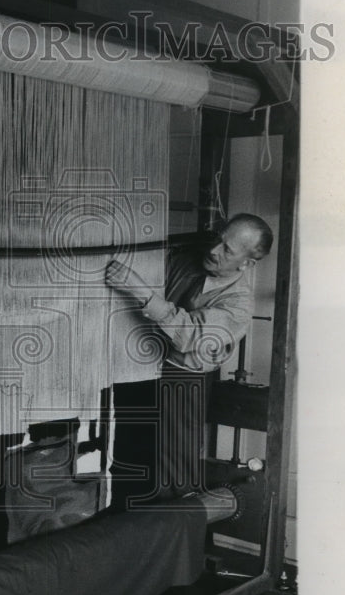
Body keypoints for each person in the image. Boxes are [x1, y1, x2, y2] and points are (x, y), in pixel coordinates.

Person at [105, 213, 274, 506]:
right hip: (139, 368)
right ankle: (124, 541)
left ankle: (166, 545)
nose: (213, 251)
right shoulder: (186, 260)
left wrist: (140, 290)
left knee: (170, 475)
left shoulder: (238, 304)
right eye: (219, 239)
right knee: (128, 461)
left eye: (227, 250)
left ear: (247, 263)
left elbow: (189, 336)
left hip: (180, 382)